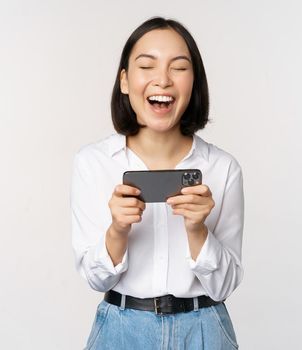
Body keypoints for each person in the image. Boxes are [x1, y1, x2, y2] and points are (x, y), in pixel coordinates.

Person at [70, 17, 243, 349]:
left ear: (194, 83)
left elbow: (223, 287)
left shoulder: (223, 169)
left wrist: (198, 230)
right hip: (121, 330)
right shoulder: (93, 163)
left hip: (204, 330)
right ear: (124, 80)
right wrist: (118, 230)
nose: (162, 80)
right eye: (147, 66)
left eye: (178, 68)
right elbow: (96, 279)